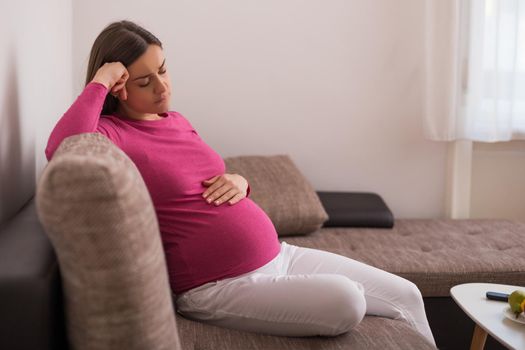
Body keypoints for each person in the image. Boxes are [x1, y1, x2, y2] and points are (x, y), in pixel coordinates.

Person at [45, 20, 436, 346]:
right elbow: (61, 147)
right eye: (145, 81)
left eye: (163, 70)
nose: (162, 87)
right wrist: (99, 80)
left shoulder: (176, 120)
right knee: (348, 300)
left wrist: (239, 180)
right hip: (217, 286)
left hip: (280, 256)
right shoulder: (112, 133)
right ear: (118, 86)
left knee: (407, 293)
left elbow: (203, 178)